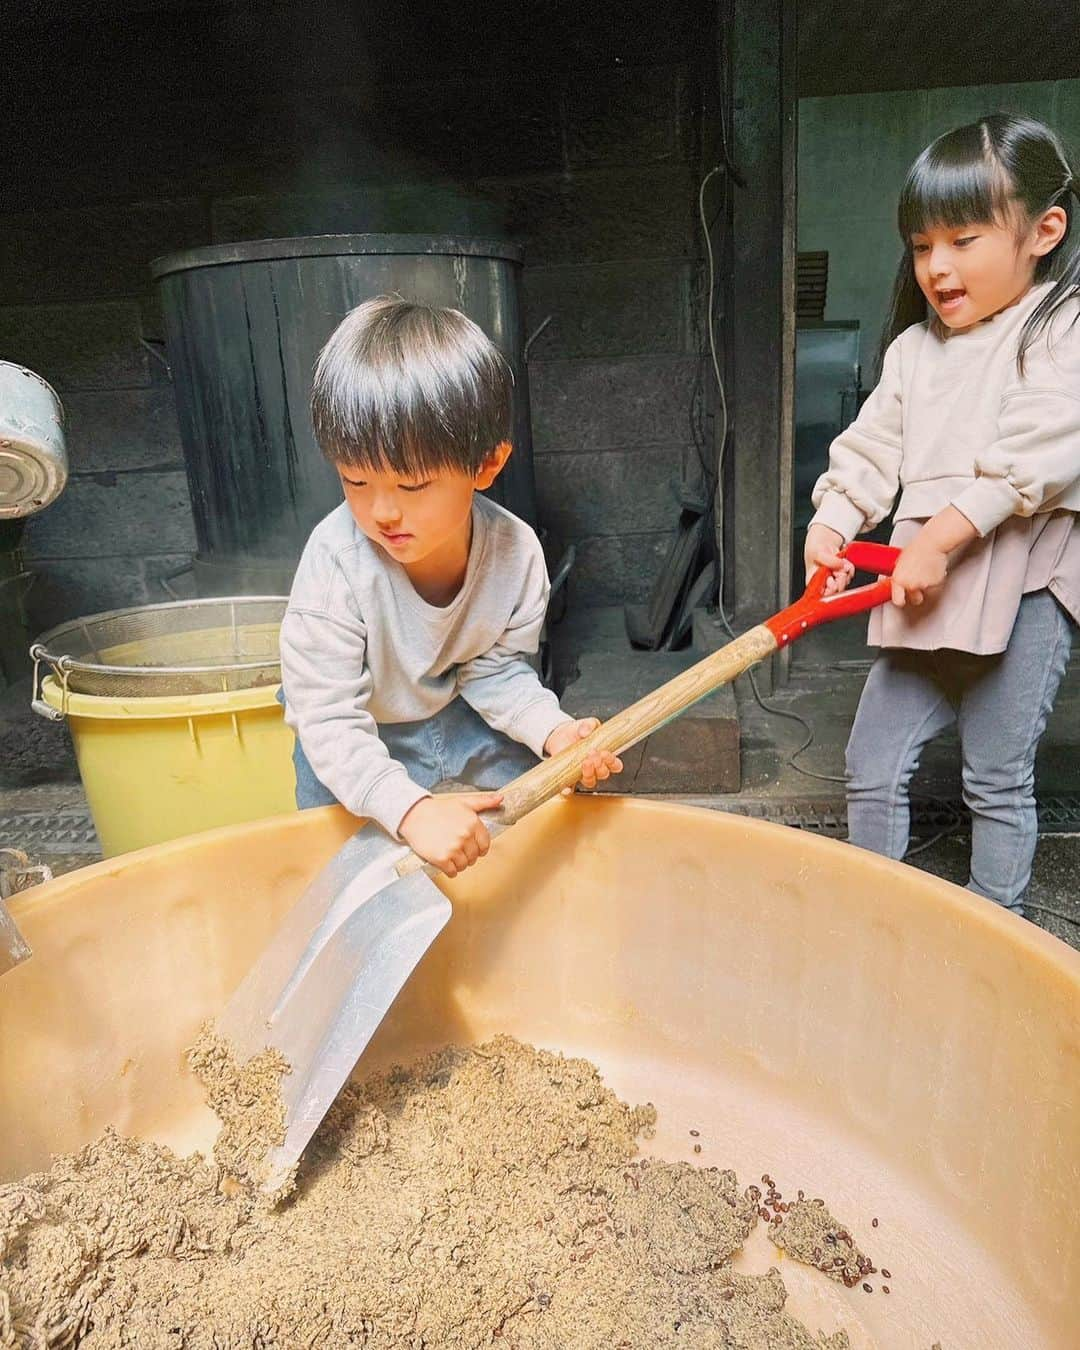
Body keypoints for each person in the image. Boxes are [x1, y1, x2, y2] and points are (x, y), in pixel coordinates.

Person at [804, 113, 1080, 914]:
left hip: (1021, 582)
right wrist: (834, 520)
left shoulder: (1060, 326)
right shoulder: (913, 351)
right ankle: (874, 916)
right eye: (923, 246)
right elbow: (870, 447)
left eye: (964, 238)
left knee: (995, 775)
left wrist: (945, 539)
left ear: (1045, 229)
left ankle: (995, 933)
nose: (937, 266)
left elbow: (1037, 453)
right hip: (921, 581)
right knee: (873, 762)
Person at [280, 296, 622, 877]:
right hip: (353, 730)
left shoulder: (514, 553)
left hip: (460, 713)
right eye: (355, 480)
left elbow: (496, 671)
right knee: (348, 870)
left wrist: (556, 733)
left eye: (412, 485)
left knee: (521, 844)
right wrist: (409, 809)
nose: (381, 511)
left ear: (487, 466)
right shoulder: (335, 565)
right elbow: (327, 718)